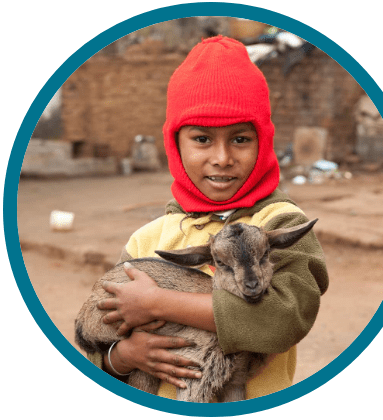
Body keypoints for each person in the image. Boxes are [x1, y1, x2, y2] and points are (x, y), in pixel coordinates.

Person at [86, 35, 329, 400]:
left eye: (240, 139)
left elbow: (284, 318)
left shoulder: (281, 223)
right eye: (202, 139)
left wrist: (157, 303)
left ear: (263, 141)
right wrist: (122, 357)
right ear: (175, 143)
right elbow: (99, 339)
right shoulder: (148, 240)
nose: (222, 157)